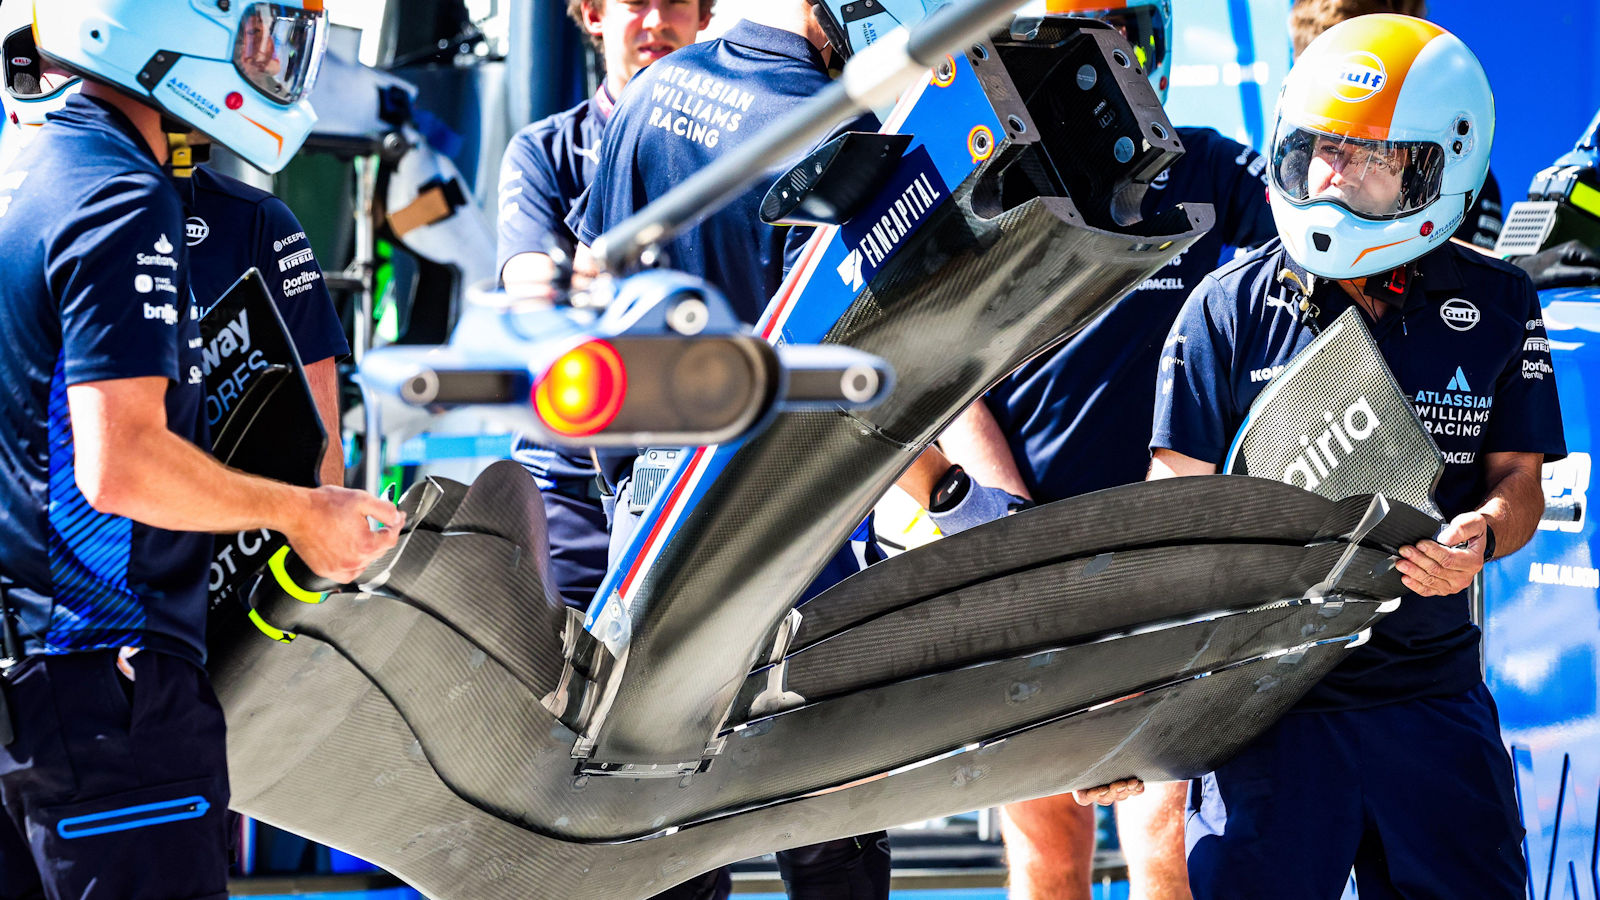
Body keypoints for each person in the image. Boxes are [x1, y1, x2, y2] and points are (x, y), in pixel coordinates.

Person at [1153, 14, 1560, 897]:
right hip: (1265, 714)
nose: (1335, 176)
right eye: (1320, 150)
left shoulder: (1498, 300)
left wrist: (1480, 540)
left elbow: (1518, 483)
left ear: (1442, 167)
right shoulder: (1220, 309)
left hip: (1429, 701)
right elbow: (1169, 517)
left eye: (1372, 157)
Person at [0, 3, 402, 898]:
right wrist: (303, 511)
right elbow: (124, 464)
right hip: (108, 684)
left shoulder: (28, 170)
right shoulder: (119, 192)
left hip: (29, 682)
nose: (271, 59)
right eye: (255, 30)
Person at [924, 2, 1273, 896]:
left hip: (1169, 561)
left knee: (1164, 828)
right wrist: (1007, 527)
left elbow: (1305, 275)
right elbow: (945, 375)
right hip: (1029, 553)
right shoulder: (989, 182)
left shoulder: (1213, 168)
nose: (1094, 58)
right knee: (1046, 841)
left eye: (1116, 33)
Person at [569, 4, 906, 895]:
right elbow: (885, 347)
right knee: (830, 815)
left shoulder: (647, 95)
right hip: (797, 507)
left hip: (649, 504)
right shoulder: (844, 131)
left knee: (654, 815)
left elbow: (595, 299)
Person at [499, 0, 713, 612]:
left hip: (701, 472)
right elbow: (535, 302)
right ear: (592, 14)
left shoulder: (743, 140)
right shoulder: (544, 151)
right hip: (568, 483)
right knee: (551, 690)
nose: (656, 21)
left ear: (704, 17)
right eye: (635, 2)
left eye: (675, 1)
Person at [1288, 0, 1505, 253]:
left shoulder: (1454, 175)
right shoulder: (1285, 182)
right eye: (1330, 148)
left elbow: (1471, 272)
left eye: (1378, 158)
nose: (1342, 173)